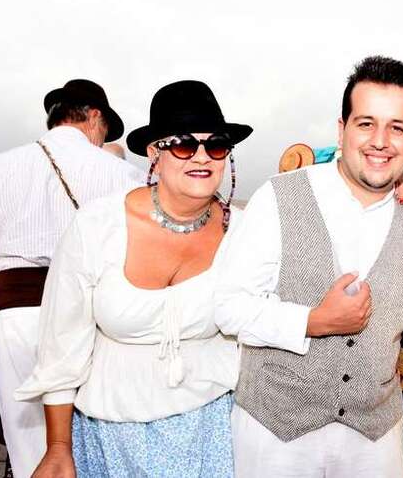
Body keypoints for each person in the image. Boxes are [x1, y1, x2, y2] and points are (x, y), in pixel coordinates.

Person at [14, 80, 259, 477]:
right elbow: (62, 344)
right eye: (183, 144)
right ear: (154, 152)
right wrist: (58, 447)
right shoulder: (97, 226)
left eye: (215, 145)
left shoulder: (245, 232)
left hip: (216, 431)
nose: (201, 156)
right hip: (112, 436)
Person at [214, 55, 403, 477]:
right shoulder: (279, 196)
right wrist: (312, 321)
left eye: (397, 127)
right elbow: (228, 306)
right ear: (342, 129)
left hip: (376, 441)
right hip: (275, 436)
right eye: (366, 123)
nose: (380, 141)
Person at [0, 79, 141, 477]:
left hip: (15, 318)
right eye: (105, 130)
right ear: (95, 117)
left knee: (31, 454)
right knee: (92, 444)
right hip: (90, 320)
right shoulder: (122, 175)